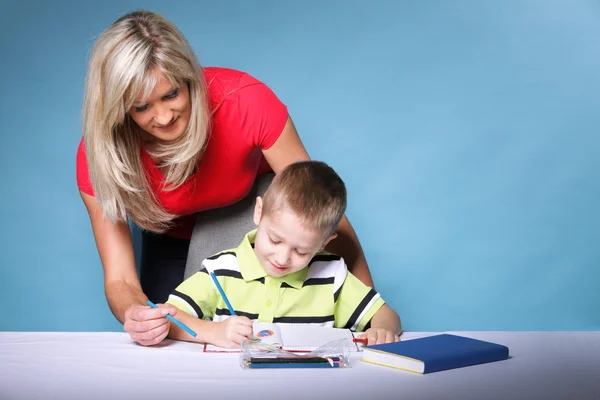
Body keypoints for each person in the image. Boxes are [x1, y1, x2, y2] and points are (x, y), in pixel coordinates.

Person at [77, 10, 376, 347]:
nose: (162, 117)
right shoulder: (99, 159)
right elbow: (119, 279)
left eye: (171, 94)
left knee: (266, 339)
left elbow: (315, 203)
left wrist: (371, 315)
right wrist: (135, 312)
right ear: (118, 109)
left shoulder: (245, 102)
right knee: (168, 337)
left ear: (190, 78)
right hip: (170, 234)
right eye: (141, 107)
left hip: (251, 217)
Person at [166, 161, 402, 347]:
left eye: (301, 251)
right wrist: (214, 332)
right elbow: (167, 316)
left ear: (322, 245)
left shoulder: (333, 277)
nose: (282, 258)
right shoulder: (220, 270)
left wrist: (382, 330)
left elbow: (387, 316)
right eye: (275, 239)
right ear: (259, 212)